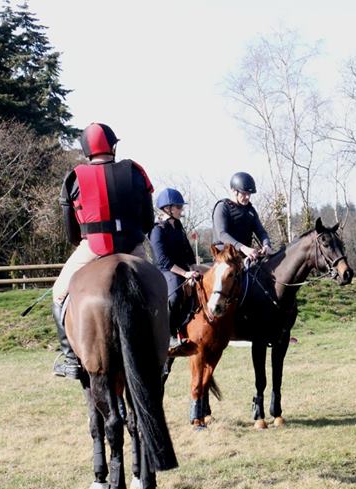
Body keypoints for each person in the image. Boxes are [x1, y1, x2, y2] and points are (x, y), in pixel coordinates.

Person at [51, 122, 154, 379]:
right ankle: (165, 344)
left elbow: (70, 231)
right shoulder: (135, 171)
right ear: (114, 146)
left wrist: (85, 241)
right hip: (132, 247)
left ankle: (70, 357)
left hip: (93, 247)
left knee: (59, 293)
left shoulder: (75, 177)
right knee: (158, 289)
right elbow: (148, 221)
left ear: (87, 150)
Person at [149, 188, 206, 350]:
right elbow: (163, 260)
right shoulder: (157, 230)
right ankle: (169, 335)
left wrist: (194, 267)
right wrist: (185, 273)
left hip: (184, 268)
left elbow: (187, 251)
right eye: (179, 207)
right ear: (168, 208)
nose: (182, 210)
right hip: (166, 271)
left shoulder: (178, 225)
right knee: (175, 294)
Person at [212, 172, 272, 261]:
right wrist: (243, 248)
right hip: (225, 256)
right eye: (244, 193)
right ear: (234, 191)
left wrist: (266, 244)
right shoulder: (222, 207)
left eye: (249, 194)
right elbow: (222, 234)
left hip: (245, 255)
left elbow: (261, 232)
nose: (247, 197)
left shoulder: (250, 210)